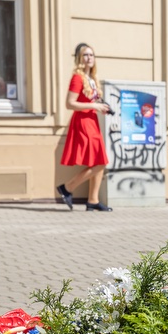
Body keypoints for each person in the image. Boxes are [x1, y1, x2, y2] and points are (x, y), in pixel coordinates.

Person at [56, 43, 113, 212]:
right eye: (86, 55)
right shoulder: (77, 78)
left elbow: (90, 102)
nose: (89, 58)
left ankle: (93, 200)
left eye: (92, 55)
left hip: (91, 121)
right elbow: (70, 103)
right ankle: (67, 187)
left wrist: (101, 107)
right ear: (79, 59)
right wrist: (94, 106)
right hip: (83, 122)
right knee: (101, 162)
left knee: (99, 160)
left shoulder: (92, 79)